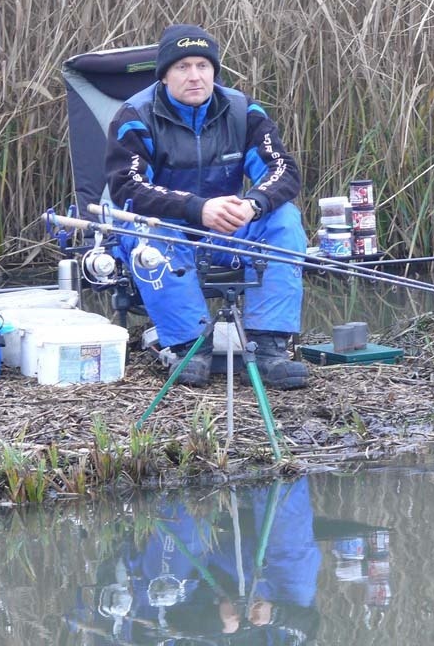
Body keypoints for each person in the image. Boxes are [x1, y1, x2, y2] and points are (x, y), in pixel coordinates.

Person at [105, 24, 308, 389]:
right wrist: (198, 208)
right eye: (182, 67)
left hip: (225, 231)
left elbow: (283, 170)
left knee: (284, 217)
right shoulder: (135, 116)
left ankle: (268, 348)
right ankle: (189, 347)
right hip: (164, 229)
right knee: (153, 231)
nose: (195, 76)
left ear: (215, 70)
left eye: (203, 65)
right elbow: (127, 188)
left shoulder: (243, 111)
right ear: (165, 75)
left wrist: (253, 205)